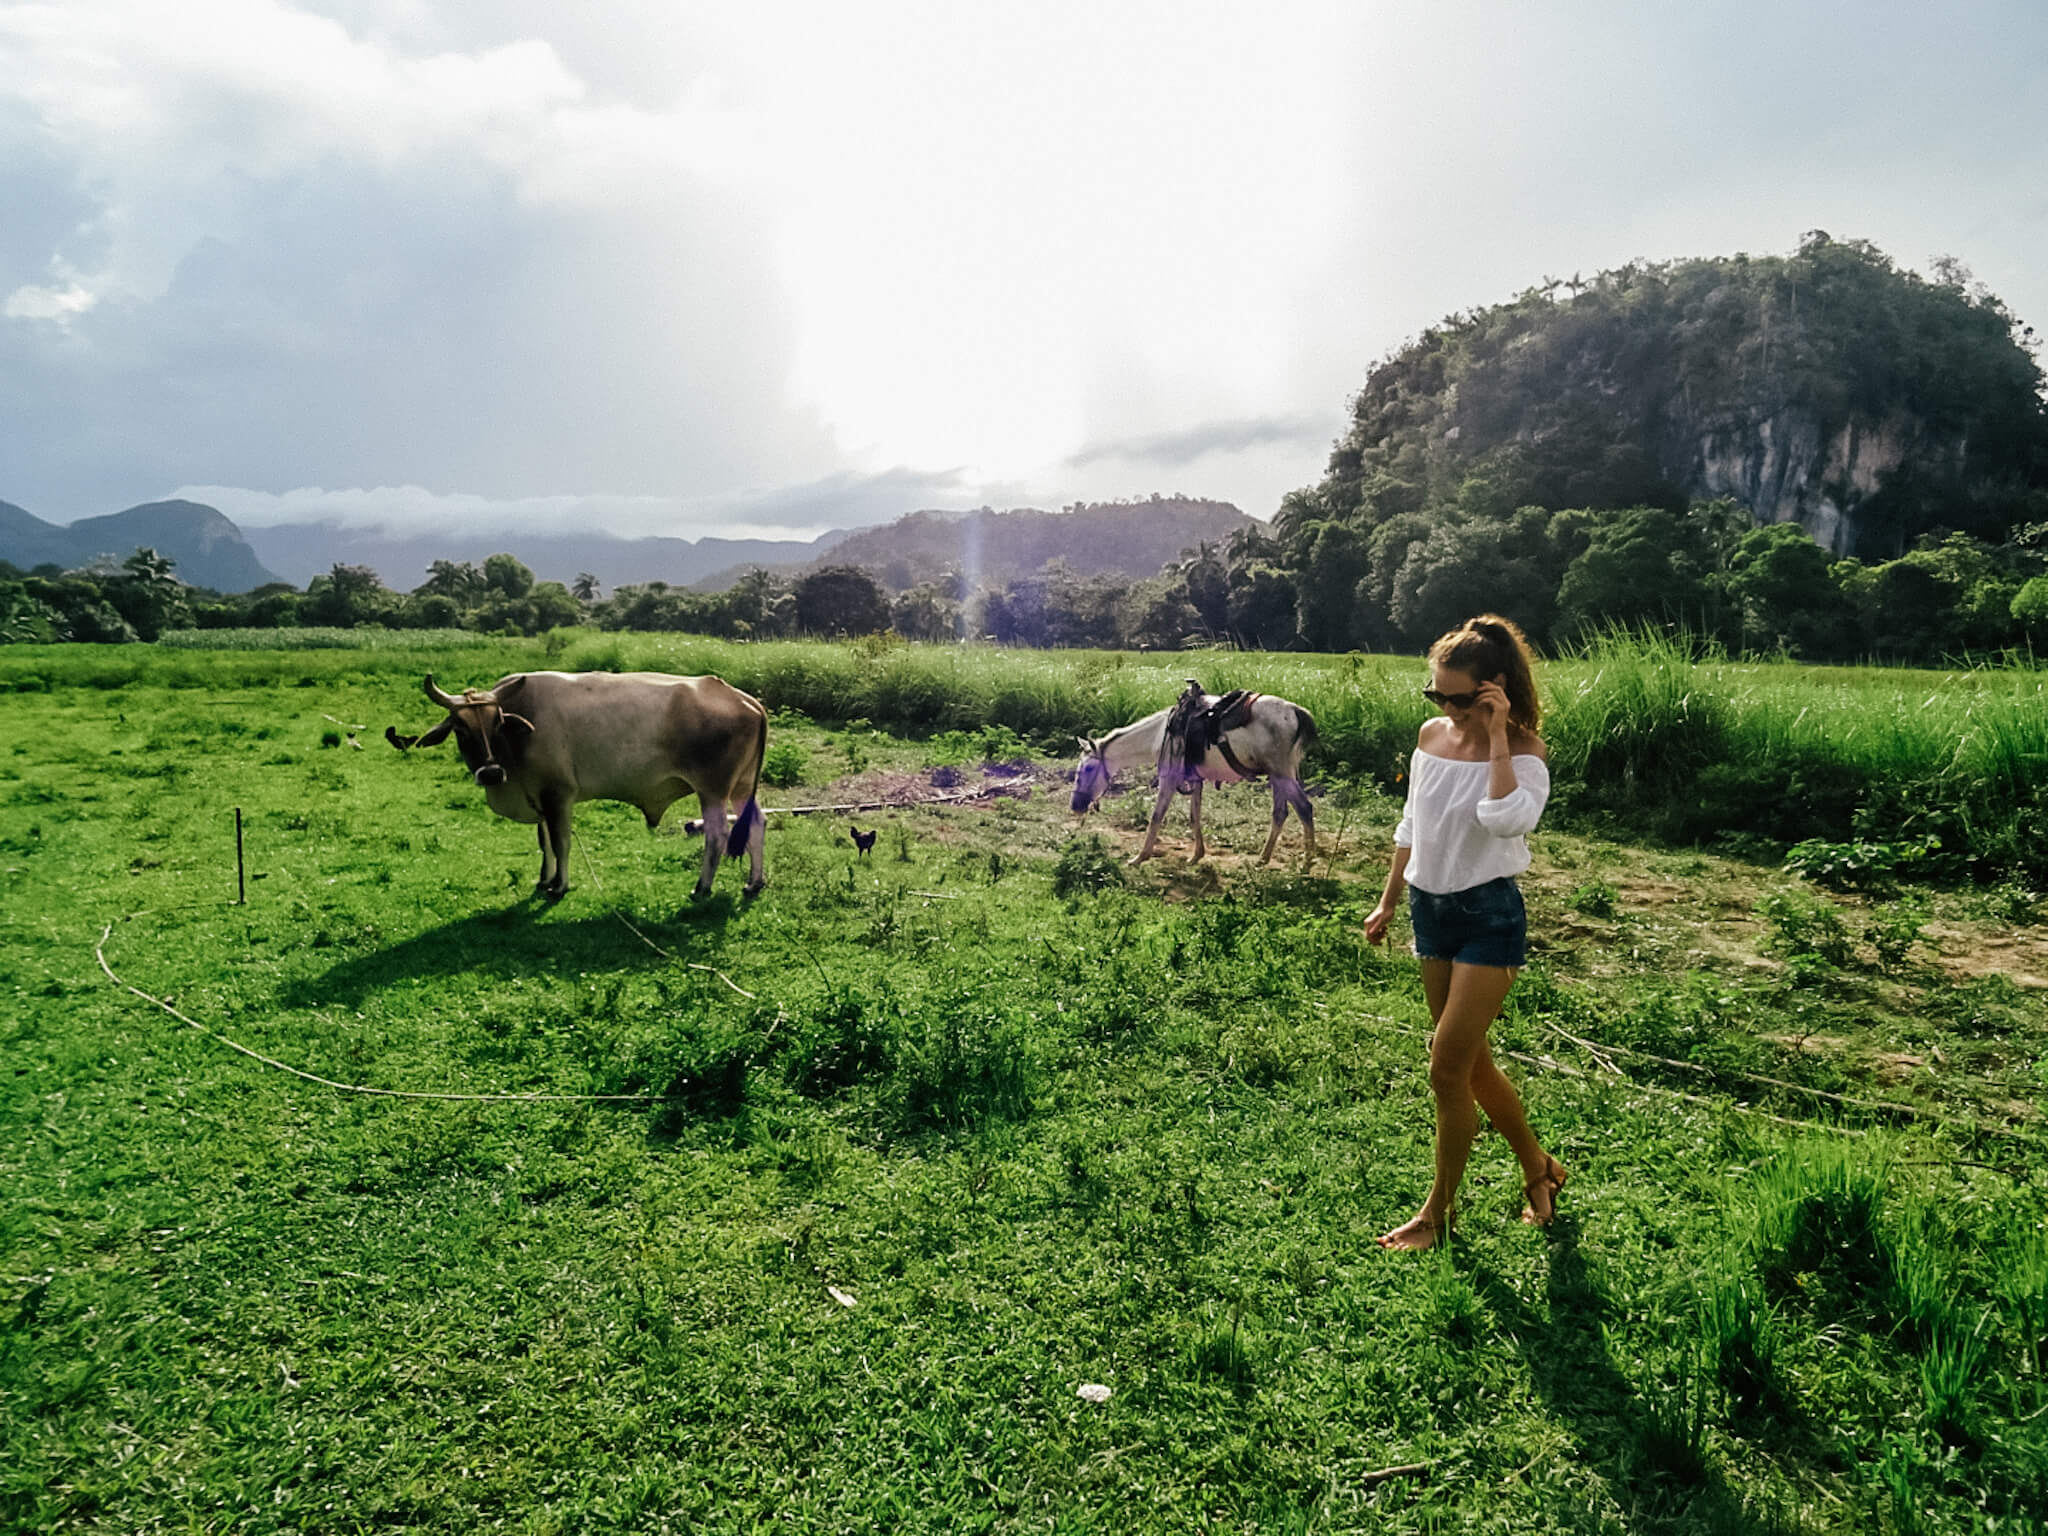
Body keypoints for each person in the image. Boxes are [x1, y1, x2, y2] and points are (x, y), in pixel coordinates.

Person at [1363, 614, 1566, 1250]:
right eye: (1436, 695)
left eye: (1459, 697)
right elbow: (1410, 826)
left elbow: (1505, 821)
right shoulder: (1430, 736)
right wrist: (1389, 900)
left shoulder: (1526, 754)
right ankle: (1539, 1168)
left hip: (1488, 916)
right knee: (1470, 1065)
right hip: (1432, 910)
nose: (1446, 708)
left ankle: (1437, 1215)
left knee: (1446, 1069)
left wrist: (1498, 735)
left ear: (1493, 688)